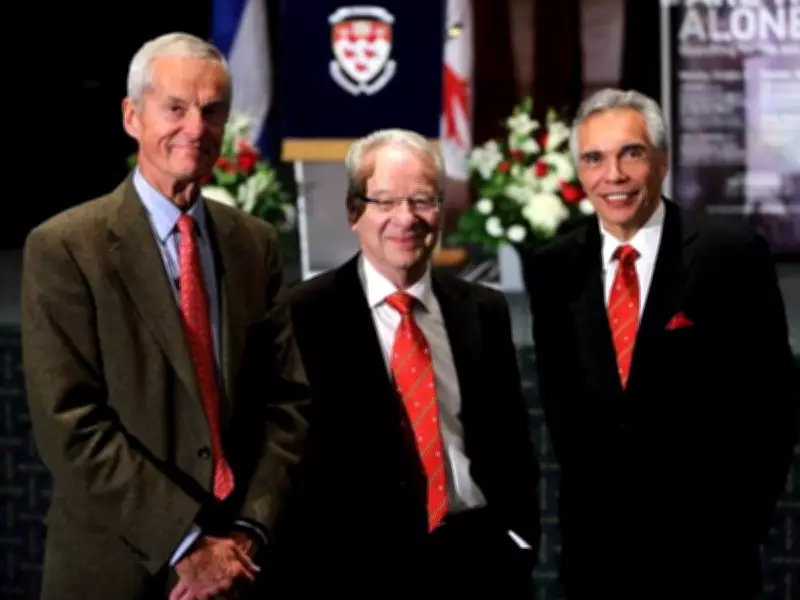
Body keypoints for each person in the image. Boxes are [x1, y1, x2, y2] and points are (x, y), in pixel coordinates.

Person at [20, 33, 310, 600]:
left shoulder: (254, 244)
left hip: (240, 567)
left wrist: (248, 532)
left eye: (212, 111)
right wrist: (187, 545)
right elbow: (70, 425)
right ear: (132, 117)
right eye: (175, 108)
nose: (196, 128)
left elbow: (285, 404)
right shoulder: (64, 248)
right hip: (119, 570)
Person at [525, 88, 799, 599]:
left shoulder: (730, 255)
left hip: (709, 559)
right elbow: (563, 416)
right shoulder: (552, 268)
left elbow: (773, 409)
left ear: (663, 161)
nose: (614, 175)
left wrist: (740, 532)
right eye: (594, 158)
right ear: (580, 171)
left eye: (631, 153)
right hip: (596, 559)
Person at [278, 129, 540, 599]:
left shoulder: (483, 310)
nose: (406, 218)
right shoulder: (305, 314)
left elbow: (511, 442)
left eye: (422, 200)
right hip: (356, 568)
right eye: (385, 201)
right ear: (353, 211)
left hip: (477, 561)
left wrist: (518, 539)